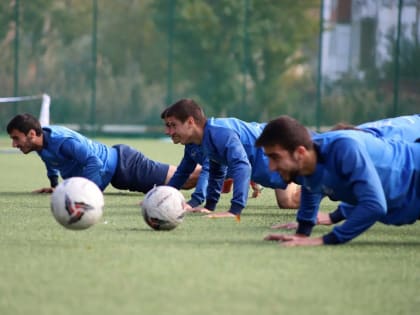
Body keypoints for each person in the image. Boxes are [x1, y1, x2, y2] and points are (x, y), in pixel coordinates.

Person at [255, 115, 420, 246]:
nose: (271, 167)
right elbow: (311, 185)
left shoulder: (345, 147)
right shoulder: (308, 163)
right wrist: (303, 232)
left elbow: (374, 205)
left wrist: (326, 239)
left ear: (300, 152)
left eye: (275, 157)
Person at [160, 99, 300, 218]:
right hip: (266, 162)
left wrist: (235, 210)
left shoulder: (219, 133)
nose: (168, 131)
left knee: (312, 181)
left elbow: (242, 166)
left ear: (190, 122)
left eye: (173, 125)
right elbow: (215, 170)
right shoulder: (198, 142)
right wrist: (209, 206)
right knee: (287, 202)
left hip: (282, 146)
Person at [7, 113, 200, 193]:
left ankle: (218, 171)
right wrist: (56, 187)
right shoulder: (41, 145)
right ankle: (217, 176)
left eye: (16, 138)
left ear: (32, 134)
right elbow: (51, 164)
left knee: (184, 180)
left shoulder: (63, 142)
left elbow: (95, 163)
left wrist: (86, 193)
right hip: (118, 174)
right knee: (181, 182)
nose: (14, 144)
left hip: (125, 164)